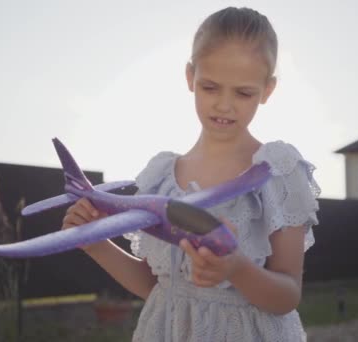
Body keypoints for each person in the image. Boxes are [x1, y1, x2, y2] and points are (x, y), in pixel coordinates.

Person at [61, 6, 320, 342]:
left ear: (267, 90)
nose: (224, 105)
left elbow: (288, 294)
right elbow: (160, 286)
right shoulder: (161, 177)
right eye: (210, 87)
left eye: (243, 92)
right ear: (190, 77)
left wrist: (237, 269)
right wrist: (95, 241)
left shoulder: (276, 171)